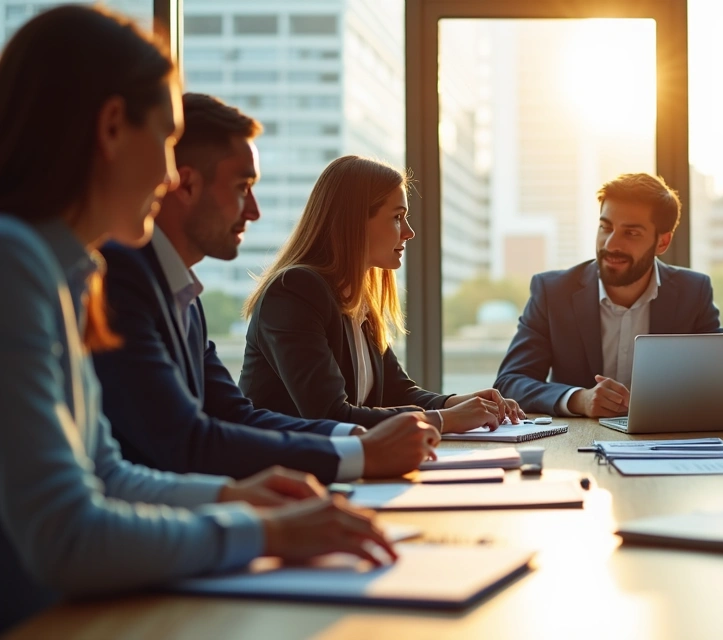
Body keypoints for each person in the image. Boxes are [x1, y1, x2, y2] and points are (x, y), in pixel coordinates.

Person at [0, 7, 395, 632]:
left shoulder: (65, 273)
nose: (167, 177)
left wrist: (234, 496)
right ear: (110, 129)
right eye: (163, 142)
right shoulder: (16, 260)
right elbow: (68, 534)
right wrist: (263, 530)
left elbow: (107, 474)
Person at [93, 94, 439, 484]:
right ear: (185, 184)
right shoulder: (121, 280)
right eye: (243, 187)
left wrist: (355, 441)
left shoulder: (185, 299)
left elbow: (235, 414)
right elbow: (185, 440)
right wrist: (359, 452)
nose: (254, 211)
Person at [240, 155, 525, 432]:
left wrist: (460, 404)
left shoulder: (358, 300)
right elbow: (330, 415)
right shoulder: (294, 290)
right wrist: (444, 419)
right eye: (398, 217)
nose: (409, 232)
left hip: (342, 469)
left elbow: (397, 392)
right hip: (280, 471)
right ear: (353, 221)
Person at [494, 173, 723, 418]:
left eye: (631, 233)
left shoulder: (693, 292)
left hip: (665, 444)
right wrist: (578, 399)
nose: (611, 244)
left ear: (662, 242)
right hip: (576, 447)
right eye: (606, 227)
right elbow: (510, 383)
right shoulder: (553, 292)